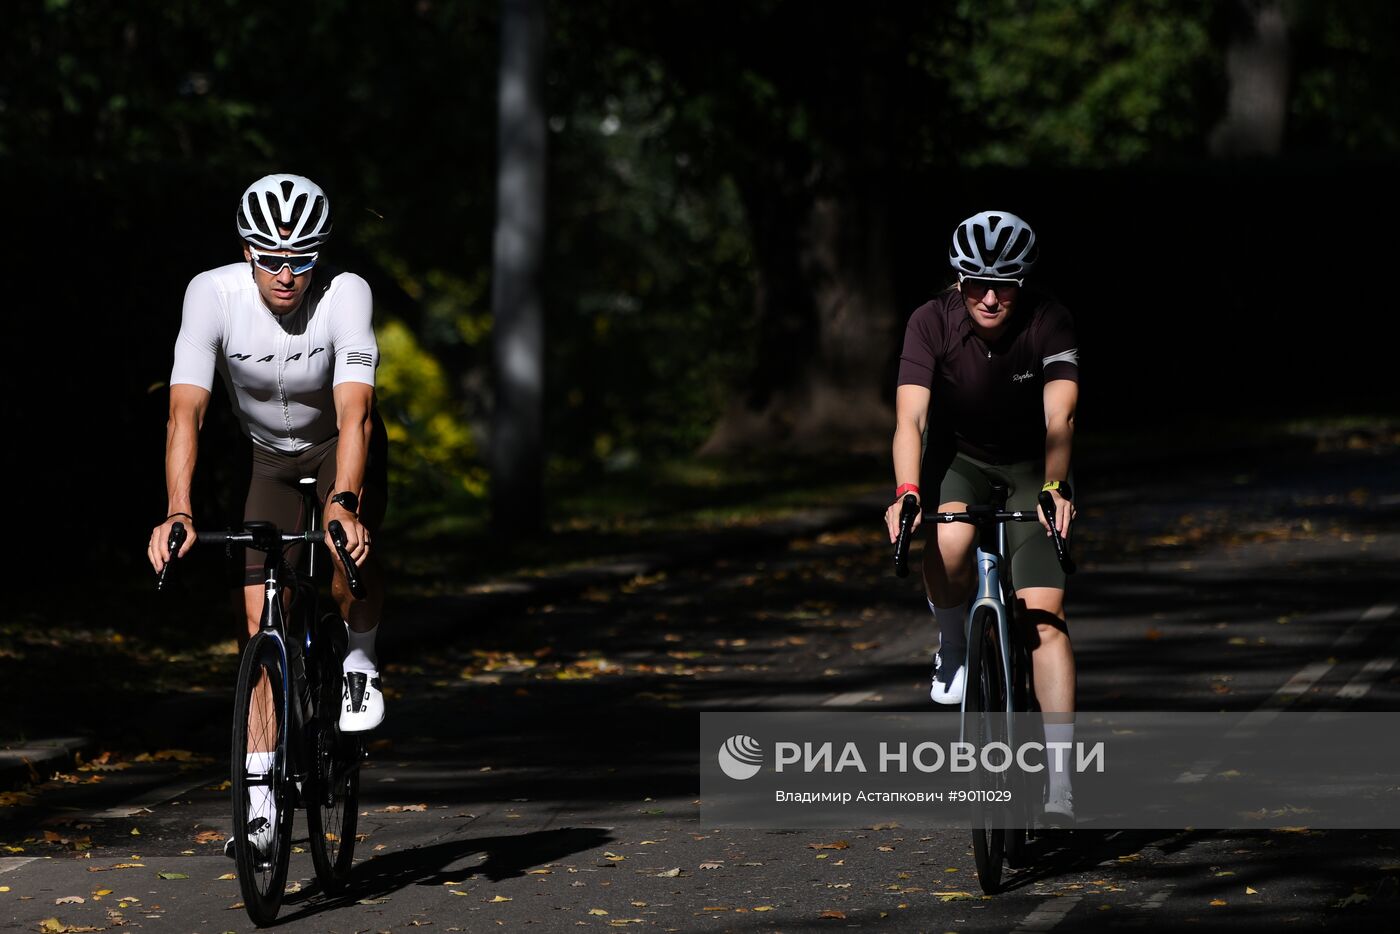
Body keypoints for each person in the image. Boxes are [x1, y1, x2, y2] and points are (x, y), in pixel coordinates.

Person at [145, 174, 389, 849]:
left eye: (303, 258)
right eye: (271, 256)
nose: (287, 274)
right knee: (258, 624)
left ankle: (361, 660)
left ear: (322, 254)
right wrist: (178, 511)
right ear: (246, 249)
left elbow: (356, 409)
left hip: (340, 445)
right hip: (268, 458)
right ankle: (259, 794)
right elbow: (184, 411)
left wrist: (343, 502)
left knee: (348, 554)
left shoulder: (347, 294)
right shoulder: (211, 295)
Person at [883, 210, 1079, 825]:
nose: (991, 297)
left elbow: (1060, 418)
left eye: (1006, 284)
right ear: (959, 278)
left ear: (1023, 284)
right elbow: (911, 419)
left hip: (1031, 466)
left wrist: (1053, 485)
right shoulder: (929, 323)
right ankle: (952, 644)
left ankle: (1061, 778)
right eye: (977, 283)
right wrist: (907, 491)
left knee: (1045, 616)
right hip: (960, 460)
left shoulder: (1050, 320)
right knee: (948, 544)